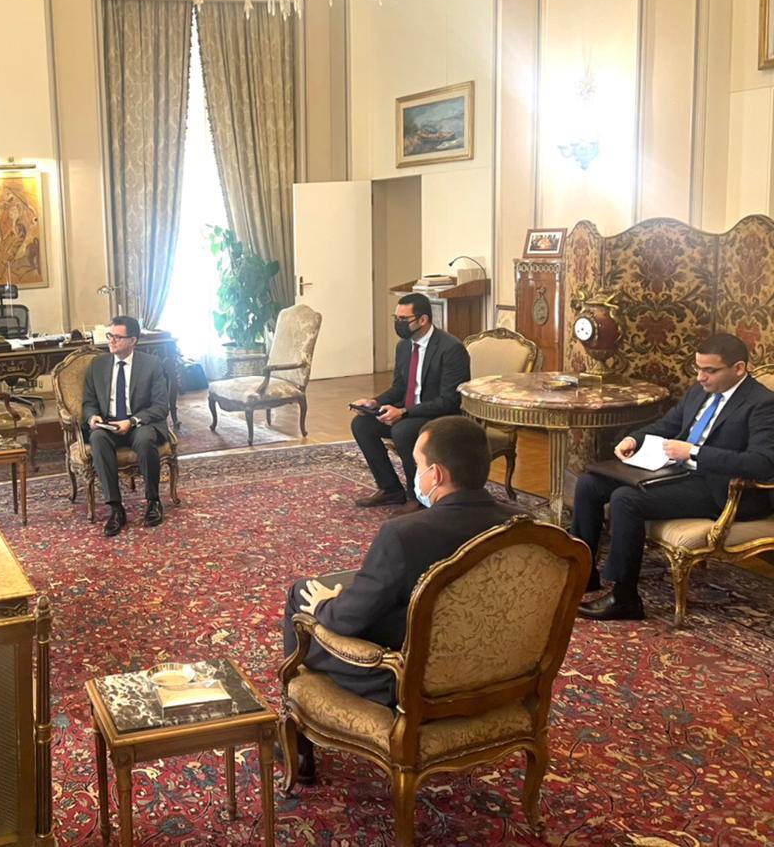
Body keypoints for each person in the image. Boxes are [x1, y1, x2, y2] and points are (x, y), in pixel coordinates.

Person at [280, 416, 521, 783]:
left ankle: (298, 744)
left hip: (414, 681)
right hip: (502, 669)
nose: (415, 475)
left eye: (417, 465)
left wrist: (326, 605)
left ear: (436, 475)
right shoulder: (525, 526)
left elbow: (347, 621)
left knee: (302, 597)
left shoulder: (404, 535)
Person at [571, 333, 774, 621]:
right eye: (698, 368)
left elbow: (763, 463)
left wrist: (695, 452)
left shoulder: (763, 403)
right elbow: (667, 424)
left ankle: (625, 598)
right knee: (590, 483)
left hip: (720, 488)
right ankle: (583, 573)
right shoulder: (699, 391)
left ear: (739, 368)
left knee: (625, 499)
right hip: (677, 471)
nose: (700, 377)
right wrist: (634, 438)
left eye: (710, 370)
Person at [349, 292, 471, 513]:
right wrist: (374, 402)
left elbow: (450, 400)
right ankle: (390, 489)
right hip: (408, 412)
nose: (398, 324)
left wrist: (404, 412)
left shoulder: (451, 349)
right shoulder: (404, 346)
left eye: (403, 319)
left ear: (423, 320)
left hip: (438, 417)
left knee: (403, 431)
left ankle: (416, 497)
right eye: (396, 318)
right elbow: (399, 387)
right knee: (362, 424)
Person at [81, 315, 171, 536]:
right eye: (110, 335)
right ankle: (115, 508)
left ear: (133, 340)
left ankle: (153, 501)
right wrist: (92, 417)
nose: (111, 341)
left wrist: (131, 422)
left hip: (139, 422)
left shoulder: (151, 365)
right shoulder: (97, 365)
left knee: (145, 439)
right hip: (109, 424)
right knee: (97, 439)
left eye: (118, 337)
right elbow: (88, 403)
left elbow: (161, 407)